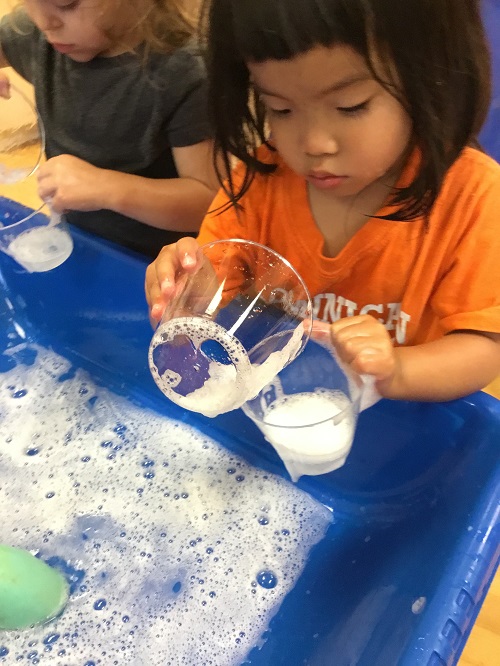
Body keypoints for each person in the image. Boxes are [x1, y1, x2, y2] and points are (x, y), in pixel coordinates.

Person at [145, 0, 500, 402]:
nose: (314, 144)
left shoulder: (474, 198)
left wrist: (396, 371)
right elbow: (217, 279)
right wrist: (186, 287)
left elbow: (484, 347)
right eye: (281, 108)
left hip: (408, 413)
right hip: (289, 399)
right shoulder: (261, 182)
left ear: (428, 78)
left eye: (351, 107)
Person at [0, 0, 219, 257]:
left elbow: (208, 202)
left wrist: (106, 188)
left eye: (66, 3)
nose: (44, 22)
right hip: (81, 240)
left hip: (154, 262)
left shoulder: (184, 73)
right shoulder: (37, 33)